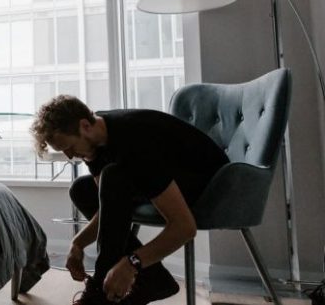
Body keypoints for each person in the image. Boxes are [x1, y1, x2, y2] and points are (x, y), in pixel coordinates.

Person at [30, 95, 229, 305]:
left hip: (212, 184)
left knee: (114, 176)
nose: (70, 157)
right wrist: (77, 244)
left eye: (69, 147)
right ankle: (154, 278)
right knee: (81, 189)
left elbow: (185, 228)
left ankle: (101, 292)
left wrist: (131, 263)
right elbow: (107, 210)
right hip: (159, 175)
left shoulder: (135, 143)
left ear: (85, 125)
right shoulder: (94, 146)